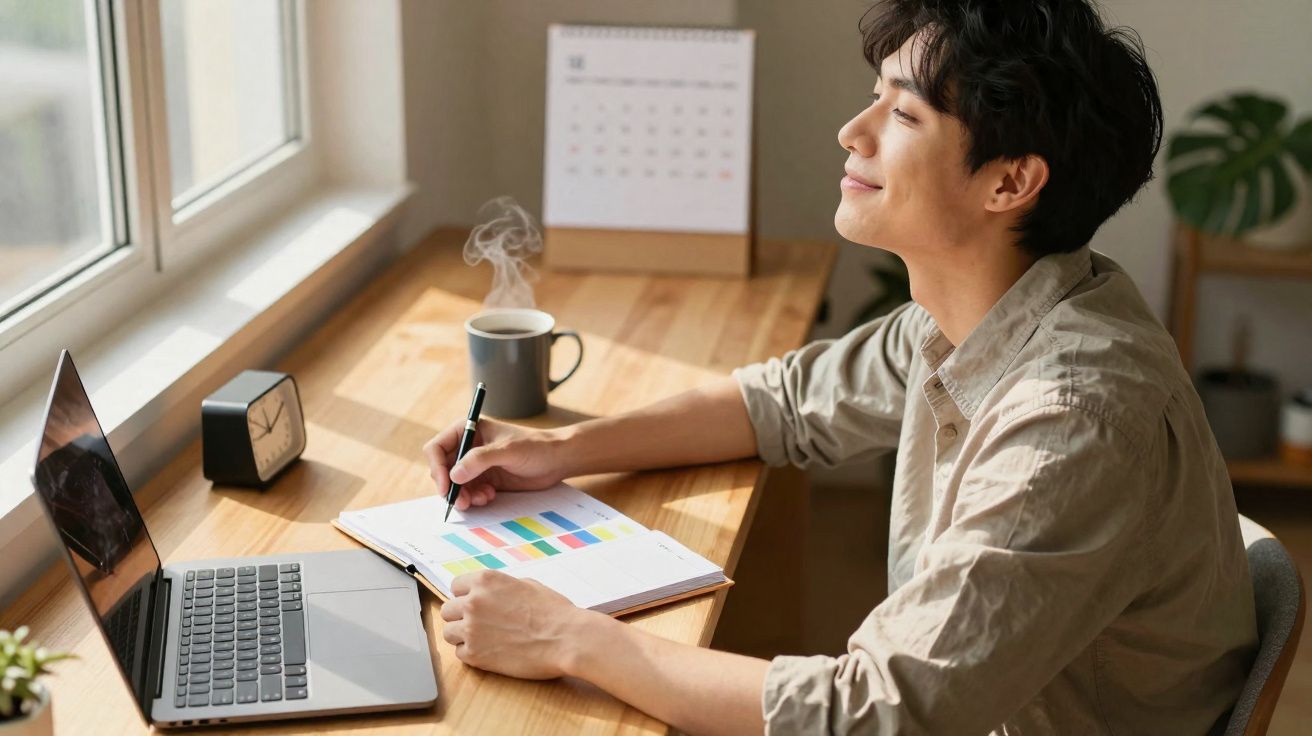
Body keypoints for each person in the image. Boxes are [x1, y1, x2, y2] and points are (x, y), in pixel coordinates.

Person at [422, 1, 1258, 733]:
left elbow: (883, 714)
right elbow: (779, 405)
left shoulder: (1074, 418)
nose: (852, 132)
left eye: (905, 115)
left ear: (1010, 181)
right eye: (875, 97)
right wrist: (564, 452)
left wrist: (571, 636)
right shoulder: (989, 312)